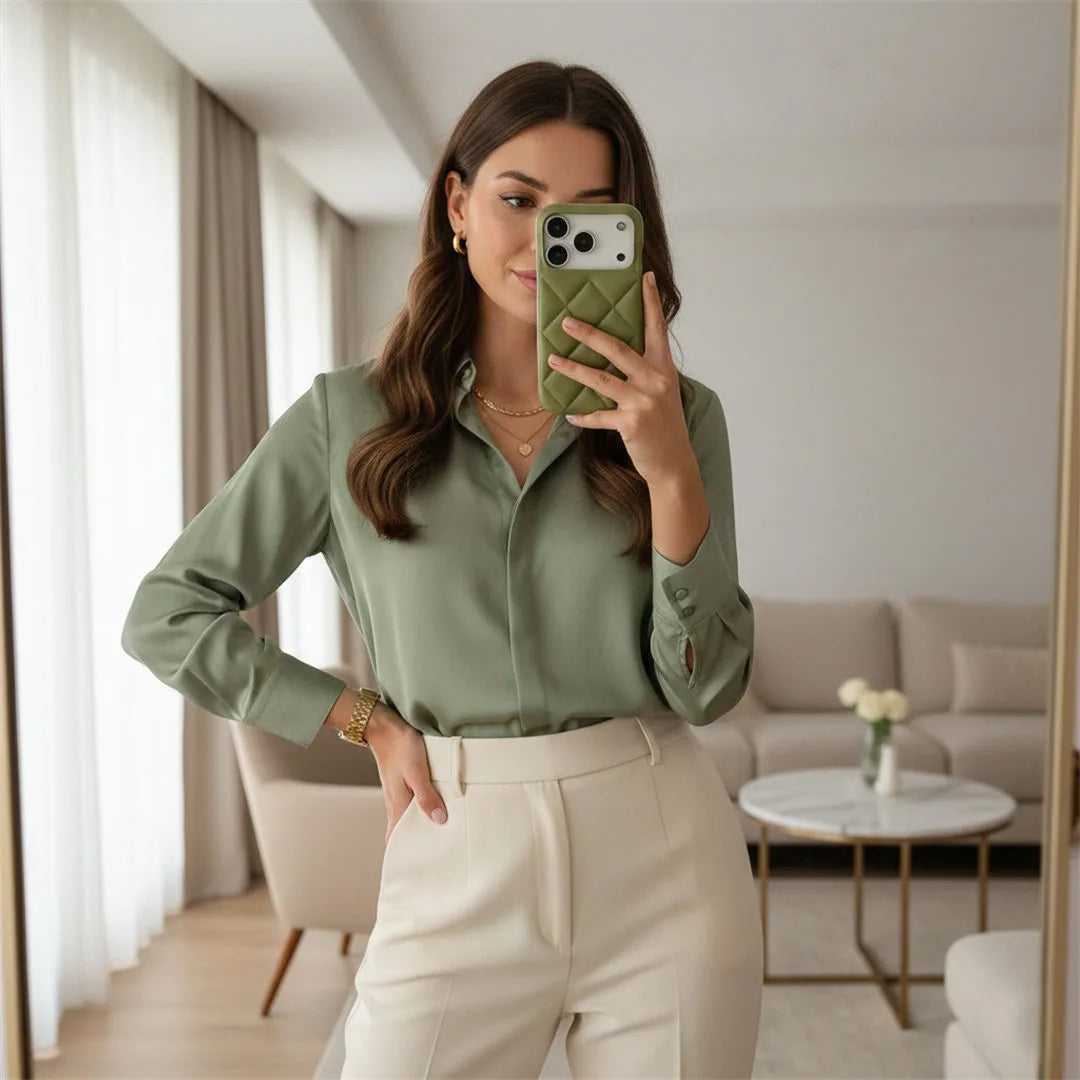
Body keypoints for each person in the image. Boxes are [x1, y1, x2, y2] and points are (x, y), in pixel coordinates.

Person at [121, 59, 763, 1080]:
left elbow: (709, 687)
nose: (546, 242)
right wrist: (362, 719)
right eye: (519, 200)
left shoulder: (682, 419)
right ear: (458, 207)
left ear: (629, 234)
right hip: (454, 836)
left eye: (585, 214)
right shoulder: (345, 418)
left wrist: (671, 473)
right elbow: (167, 614)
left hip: (665, 849)